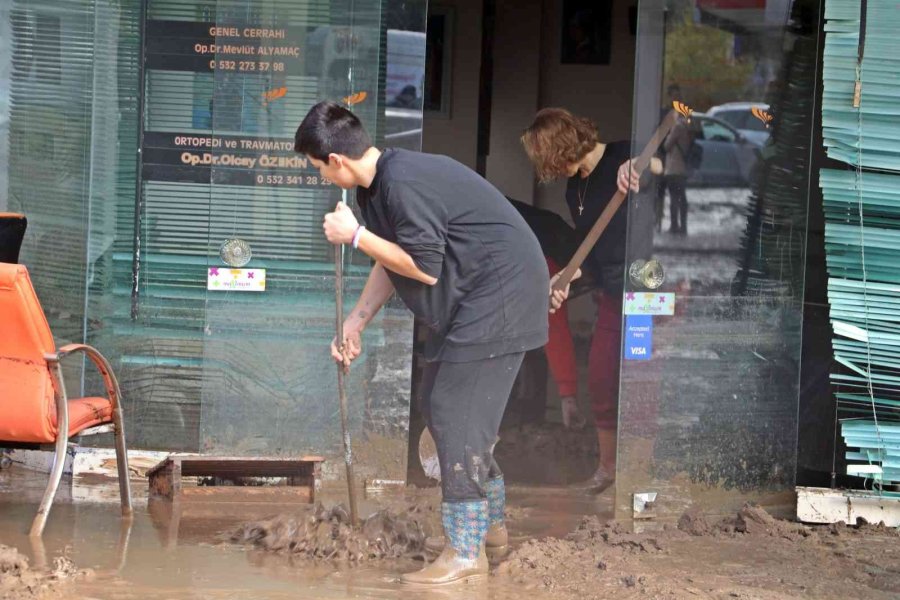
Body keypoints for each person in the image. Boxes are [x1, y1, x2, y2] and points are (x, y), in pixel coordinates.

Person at [295, 101, 574, 585]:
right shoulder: (376, 189)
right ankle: (490, 532)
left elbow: (421, 265)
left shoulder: (404, 183)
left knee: (454, 413)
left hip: (500, 298)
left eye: (318, 167)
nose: (321, 177)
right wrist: (356, 321)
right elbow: (392, 258)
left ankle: (465, 552)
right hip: (478, 299)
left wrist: (356, 236)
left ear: (336, 160)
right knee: (437, 401)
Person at [521, 108, 659, 494]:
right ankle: (608, 470)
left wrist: (643, 167)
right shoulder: (573, 188)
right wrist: (566, 278)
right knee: (600, 379)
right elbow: (591, 255)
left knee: (640, 382)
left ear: (564, 147)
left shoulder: (622, 155)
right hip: (613, 291)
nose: (547, 169)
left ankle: (641, 474)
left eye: (548, 158)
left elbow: (663, 164)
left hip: (647, 292)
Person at [663, 114, 692, 235]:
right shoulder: (688, 128)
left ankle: (674, 226)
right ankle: (683, 227)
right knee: (682, 199)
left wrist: (669, 133)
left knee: (674, 198)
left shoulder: (677, 127)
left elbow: (666, 146)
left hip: (673, 169)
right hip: (682, 169)